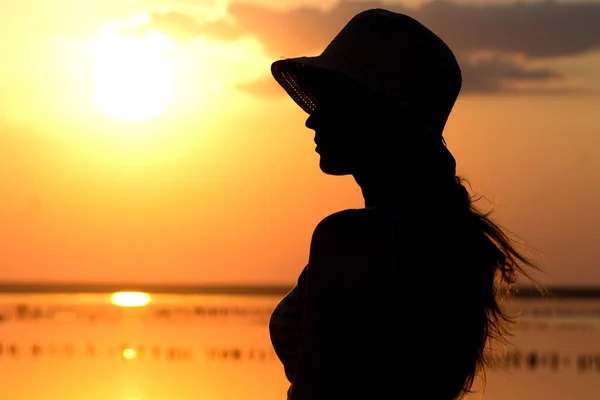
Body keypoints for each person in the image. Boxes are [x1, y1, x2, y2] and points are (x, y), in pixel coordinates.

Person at [268, 8, 542, 400]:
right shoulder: (450, 242)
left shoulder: (349, 238)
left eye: (328, 103)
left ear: (373, 115)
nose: (312, 121)